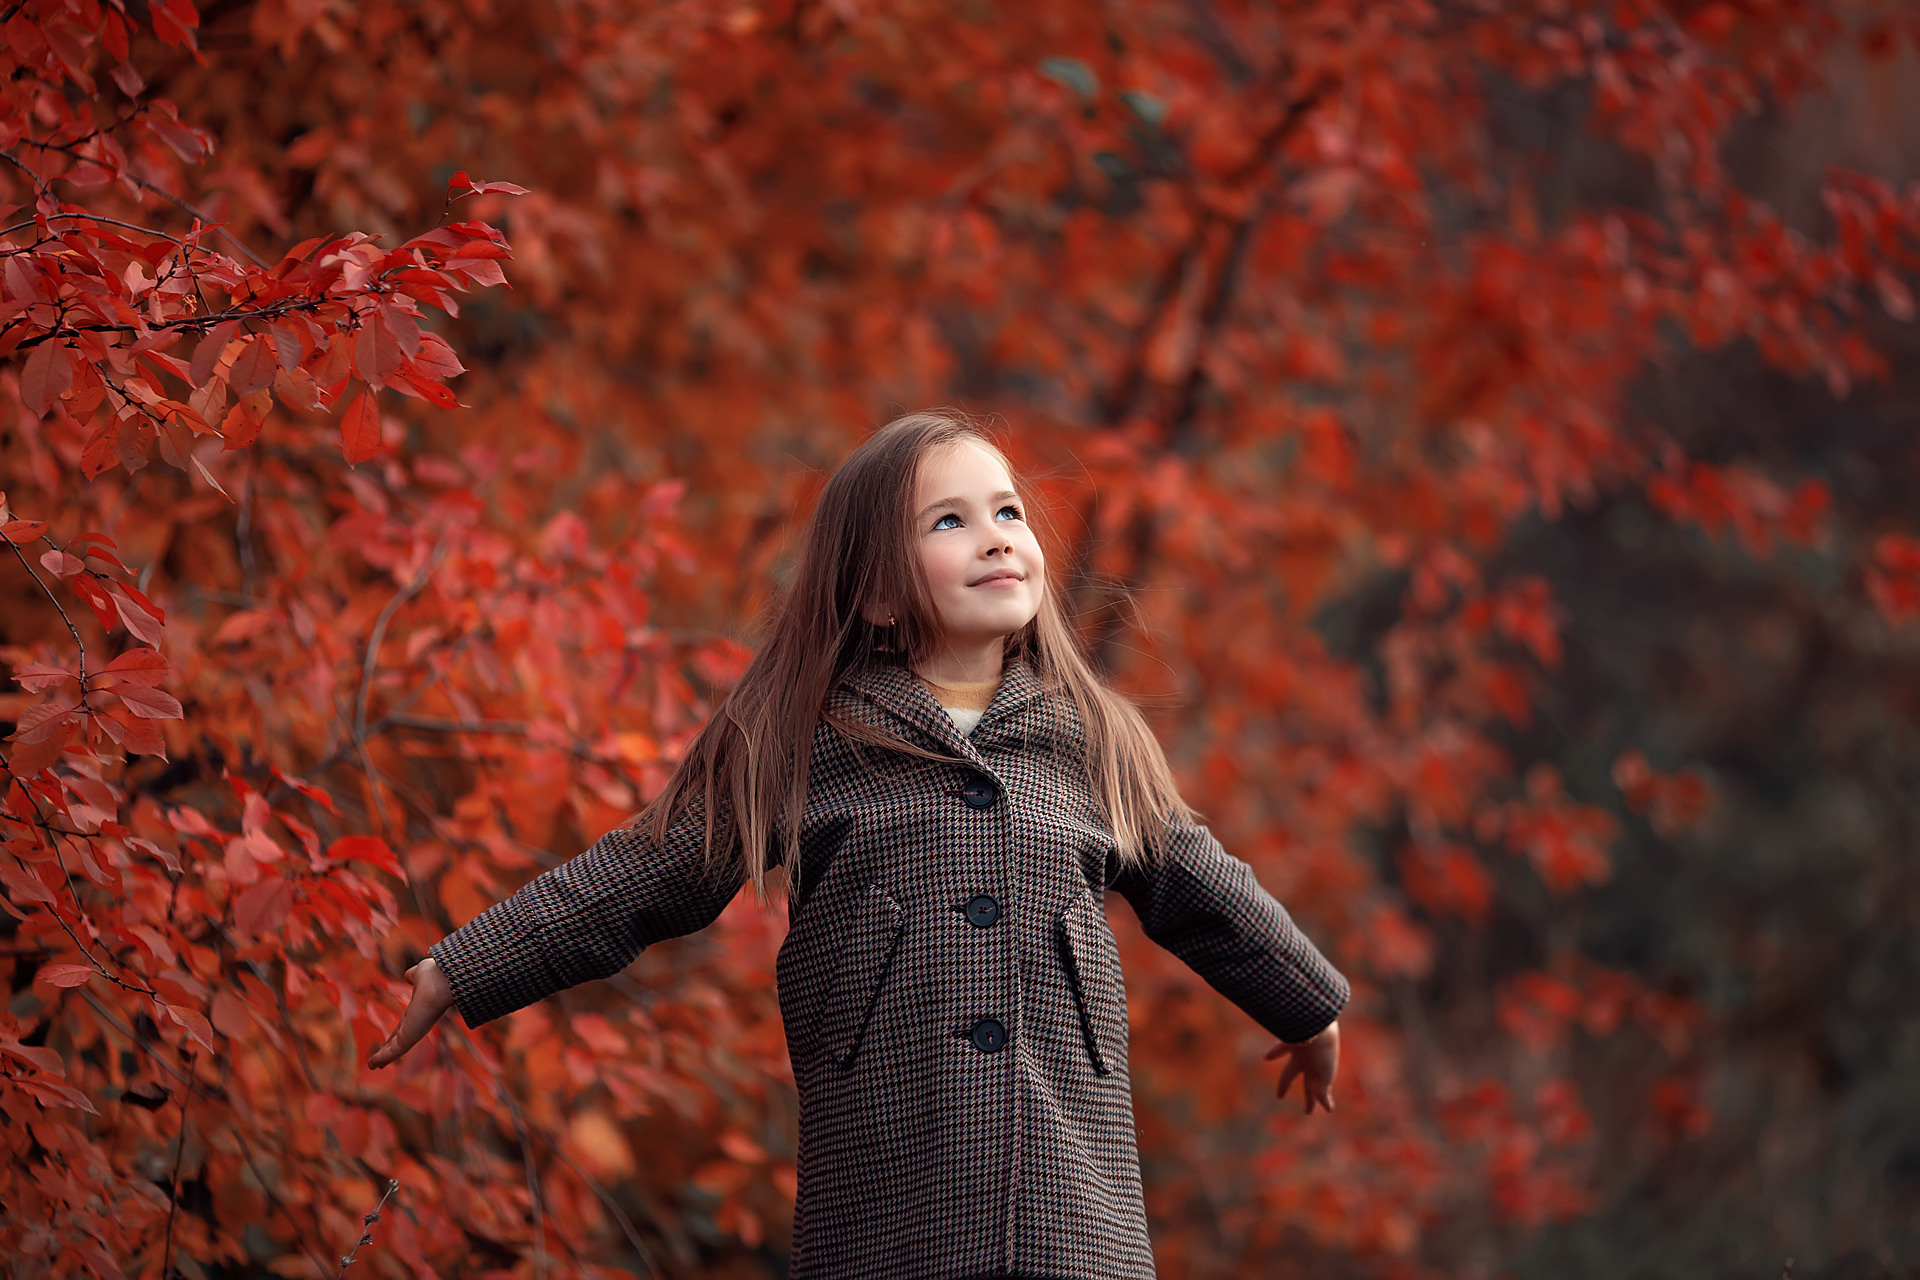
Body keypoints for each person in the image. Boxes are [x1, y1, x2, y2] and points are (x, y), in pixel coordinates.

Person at [368, 410, 1350, 1279]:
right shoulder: (809, 741)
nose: (998, 538)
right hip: (889, 1203)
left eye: (1008, 512)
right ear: (877, 592)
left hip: (1069, 1205)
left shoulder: (1094, 742)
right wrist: (464, 967)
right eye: (950, 521)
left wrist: (1306, 1007)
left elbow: (1208, 888)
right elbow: (645, 868)